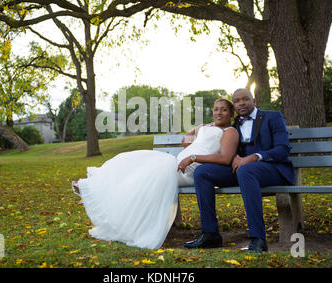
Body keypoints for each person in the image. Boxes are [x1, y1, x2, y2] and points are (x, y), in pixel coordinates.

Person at [71, 99, 239, 250]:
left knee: (146, 171)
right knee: (137, 165)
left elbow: (224, 158)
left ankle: (96, 188)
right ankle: (100, 188)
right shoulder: (205, 127)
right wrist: (190, 139)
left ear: (231, 113)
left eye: (224, 110)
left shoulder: (229, 132)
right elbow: (187, 138)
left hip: (192, 170)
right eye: (216, 109)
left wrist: (193, 156)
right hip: (180, 163)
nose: (219, 113)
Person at [184, 88, 294, 253]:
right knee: (202, 172)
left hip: (272, 169)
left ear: (254, 101)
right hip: (242, 170)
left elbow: (283, 149)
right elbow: (225, 147)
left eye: (245, 99)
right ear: (234, 106)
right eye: (237, 101)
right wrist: (235, 155)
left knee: (246, 170)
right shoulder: (233, 125)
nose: (241, 103)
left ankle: (257, 239)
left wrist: (255, 156)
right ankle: (210, 234)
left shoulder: (273, 117)